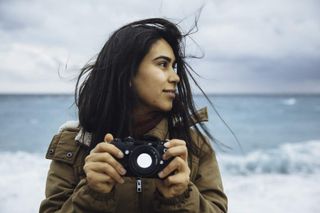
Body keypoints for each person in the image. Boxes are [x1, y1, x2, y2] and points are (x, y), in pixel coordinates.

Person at [39, 18, 228, 213]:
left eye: (174, 66)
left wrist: (180, 197)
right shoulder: (75, 145)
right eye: (163, 64)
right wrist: (92, 195)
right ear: (127, 73)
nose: (175, 77)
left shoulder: (193, 146)